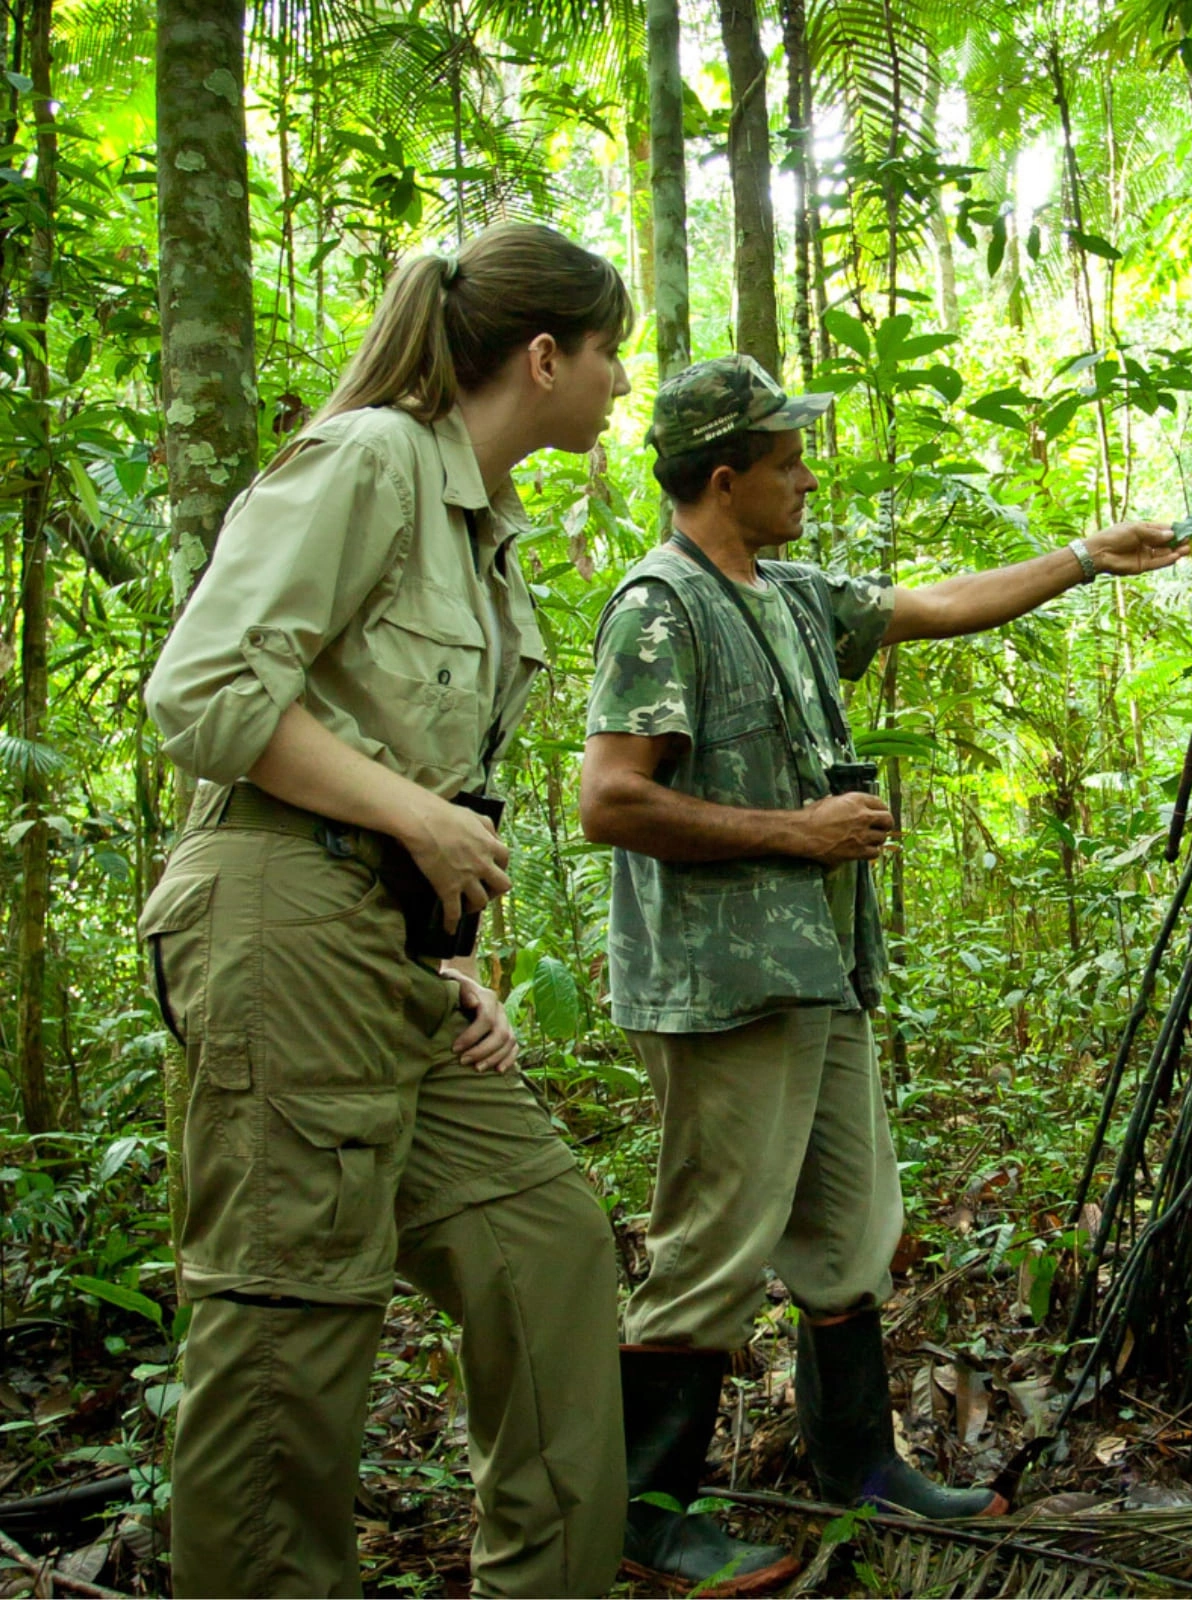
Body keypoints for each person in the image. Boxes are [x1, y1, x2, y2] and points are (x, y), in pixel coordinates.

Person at [579, 354, 1187, 1593]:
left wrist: (1084, 556)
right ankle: (644, 1514)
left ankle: (858, 1460)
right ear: (724, 475)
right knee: (713, 1246)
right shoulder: (659, 606)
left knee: (848, 1232)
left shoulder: (793, 595)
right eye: (788, 458)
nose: (808, 474)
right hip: (721, 988)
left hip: (820, 973)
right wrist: (795, 833)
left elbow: (932, 605)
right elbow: (610, 799)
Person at [141, 224, 634, 1598]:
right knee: (292, 1311)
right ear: (544, 357)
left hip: (381, 951)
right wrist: (411, 817)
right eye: (610, 356)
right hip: (276, 912)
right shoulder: (369, 460)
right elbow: (204, 694)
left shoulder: (485, 539)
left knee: (543, 1241)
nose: (619, 385)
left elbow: (414, 766)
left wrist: (450, 961)